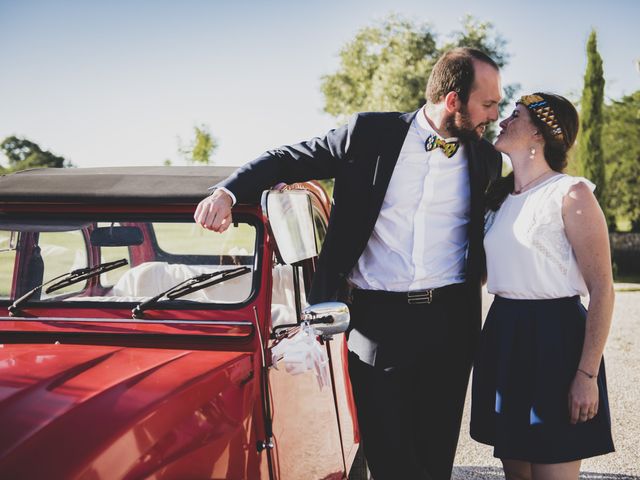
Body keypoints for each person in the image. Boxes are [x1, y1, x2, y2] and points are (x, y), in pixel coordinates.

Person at [195, 47, 503, 480]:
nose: (494, 114)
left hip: (451, 325)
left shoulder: (486, 161)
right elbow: (288, 158)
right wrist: (226, 193)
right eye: (488, 103)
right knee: (389, 457)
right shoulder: (370, 134)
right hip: (377, 323)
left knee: (434, 460)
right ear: (453, 100)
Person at [471, 92, 615, 480]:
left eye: (514, 115)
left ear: (539, 132)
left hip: (557, 341)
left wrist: (586, 376)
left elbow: (602, 289)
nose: (502, 120)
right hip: (505, 335)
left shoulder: (572, 193)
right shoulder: (497, 199)